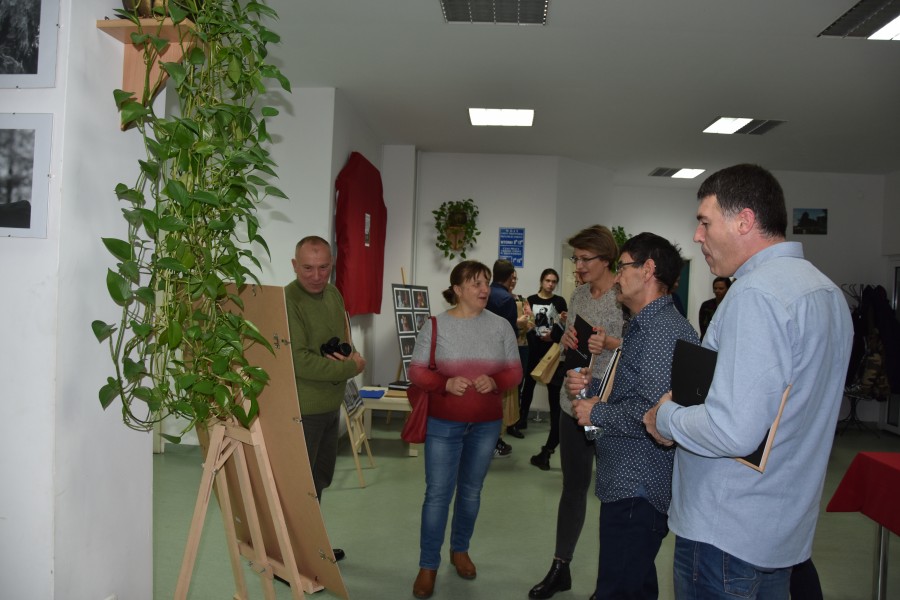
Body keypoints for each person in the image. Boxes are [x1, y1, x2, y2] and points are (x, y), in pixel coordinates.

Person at [643, 164, 854, 599]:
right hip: (780, 529)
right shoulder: (826, 293)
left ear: (744, 221)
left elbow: (732, 430)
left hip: (726, 530)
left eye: (705, 222)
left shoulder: (757, 294)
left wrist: (665, 417)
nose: (697, 236)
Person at [566, 232, 699, 600]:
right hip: (629, 482)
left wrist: (597, 410)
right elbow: (634, 393)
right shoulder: (645, 326)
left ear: (648, 270)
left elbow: (655, 414)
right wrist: (592, 388)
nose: (618, 277)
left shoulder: (661, 331)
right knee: (636, 585)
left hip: (637, 486)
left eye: (623, 267)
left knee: (618, 589)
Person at [408, 260, 522, 599]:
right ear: (457, 289)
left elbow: (515, 371)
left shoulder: (501, 326)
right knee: (437, 495)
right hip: (443, 424)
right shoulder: (436, 325)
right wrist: (444, 383)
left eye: (486, 282)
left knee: (471, 492)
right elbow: (417, 371)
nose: (484, 289)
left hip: (486, 426)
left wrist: (496, 380)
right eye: (476, 283)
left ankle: (460, 551)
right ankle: (428, 565)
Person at [529, 225, 625, 599]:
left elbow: (641, 349)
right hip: (574, 403)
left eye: (585, 259)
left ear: (606, 259)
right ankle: (560, 567)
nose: (578, 266)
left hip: (609, 409)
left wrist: (611, 342)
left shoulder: (625, 295)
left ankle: (610, 583)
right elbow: (573, 344)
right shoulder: (579, 294)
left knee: (613, 494)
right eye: (576, 258)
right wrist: (569, 338)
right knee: (573, 488)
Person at [284, 236, 366, 563]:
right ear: (294, 266)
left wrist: (351, 355)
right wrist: (350, 367)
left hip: (331, 405)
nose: (317, 276)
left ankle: (312, 546)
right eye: (308, 268)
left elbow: (344, 340)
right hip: (303, 411)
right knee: (300, 487)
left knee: (319, 480)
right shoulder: (287, 301)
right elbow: (299, 361)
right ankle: (293, 557)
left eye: (324, 268)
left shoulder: (333, 294)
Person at [517, 269, 568, 446]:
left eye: (554, 281)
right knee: (528, 385)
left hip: (551, 350)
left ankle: (555, 424)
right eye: (548, 280)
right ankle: (522, 418)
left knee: (553, 387)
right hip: (533, 348)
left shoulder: (559, 301)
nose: (550, 284)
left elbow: (563, 326)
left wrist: (560, 323)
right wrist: (533, 332)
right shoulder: (531, 300)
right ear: (541, 281)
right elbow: (527, 323)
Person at [486, 259, 519, 456]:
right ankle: (493, 443)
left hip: (479, 356)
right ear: (510, 277)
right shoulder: (507, 299)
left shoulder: (484, 293)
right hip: (498, 358)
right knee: (497, 402)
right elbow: (510, 334)